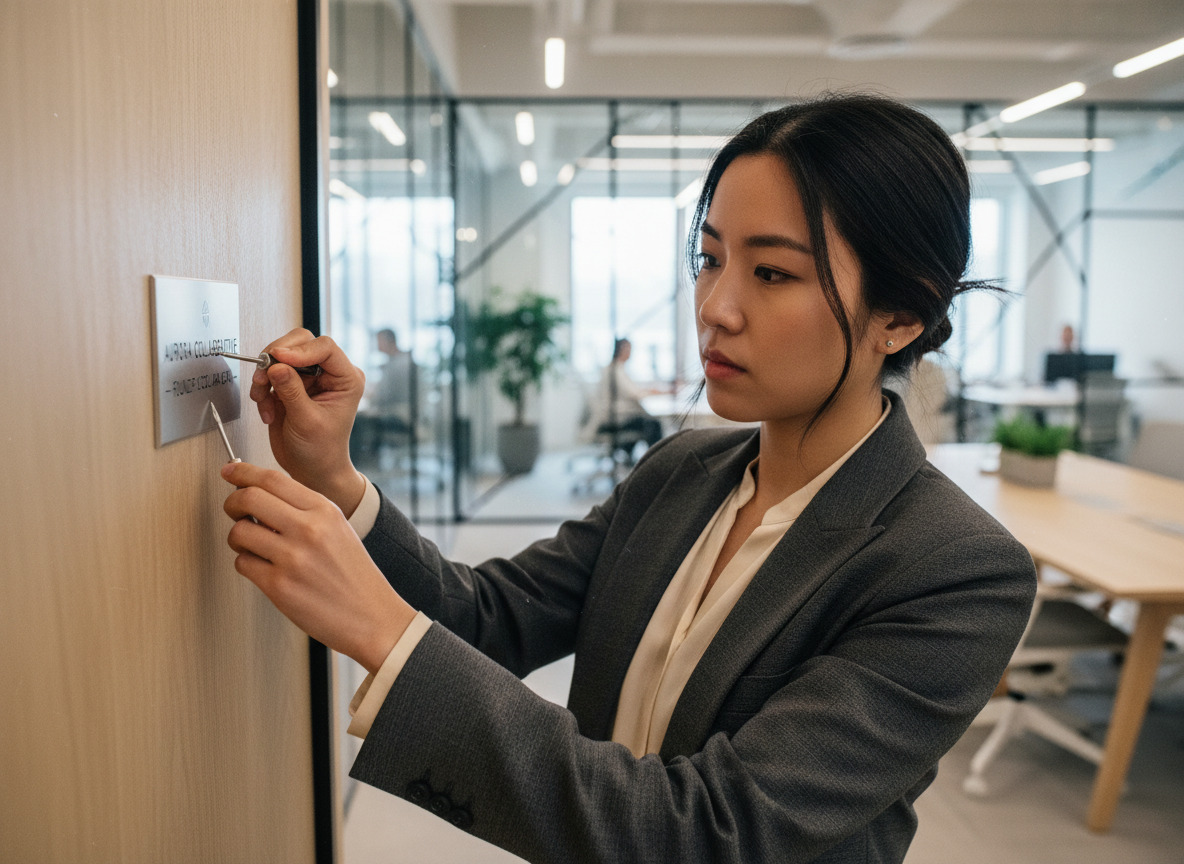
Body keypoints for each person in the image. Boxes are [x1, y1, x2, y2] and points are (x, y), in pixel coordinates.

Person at [221, 93, 1036, 863]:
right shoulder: (680, 472)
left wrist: (383, 632)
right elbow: (491, 617)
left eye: (773, 273)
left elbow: (711, 833)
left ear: (902, 315)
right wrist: (334, 475)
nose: (715, 306)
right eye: (710, 258)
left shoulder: (954, 568)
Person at [583, 337, 664, 449]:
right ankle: (655, 462)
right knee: (653, 424)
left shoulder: (613, 368)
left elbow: (632, 390)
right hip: (616, 419)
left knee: (645, 421)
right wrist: (655, 392)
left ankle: (627, 455)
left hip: (615, 415)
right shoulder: (615, 371)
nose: (630, 353)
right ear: (622, 349)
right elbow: (635, 394)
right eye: (629, 349)